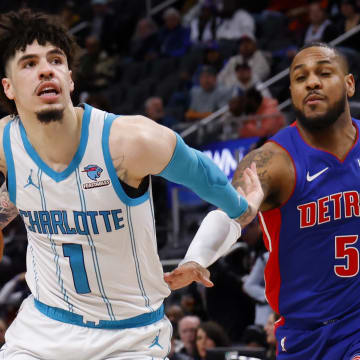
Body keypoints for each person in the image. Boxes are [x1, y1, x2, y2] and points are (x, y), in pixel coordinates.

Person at [0, 9, 262, 360]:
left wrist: (242, 208)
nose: (46, 69)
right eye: (29, 63)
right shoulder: (5, 144)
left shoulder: (130, 141)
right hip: (42, 329)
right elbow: (24, 194)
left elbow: (204, 173)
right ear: (8, 87)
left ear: (71, 78)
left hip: (129, 336)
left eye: (56, 59)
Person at [165, 41, 360, 359]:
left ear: (349, 83)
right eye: (300, 77)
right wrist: (196, 258)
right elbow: (231, 212)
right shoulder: (273, 161)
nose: (312, 82)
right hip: (302, 335)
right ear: (292, 92)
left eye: (324, 73)